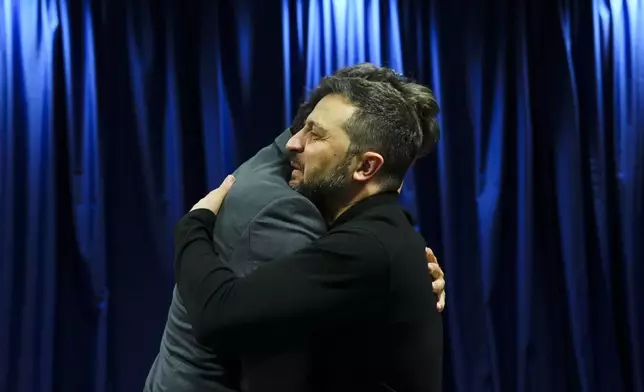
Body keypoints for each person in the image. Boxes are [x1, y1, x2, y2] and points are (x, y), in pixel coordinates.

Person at [143, 63, 446, 392]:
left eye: (314, 134)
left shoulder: (365, 249)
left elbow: (218, 312)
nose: (293, 143)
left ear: (366, 166)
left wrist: (193, 224)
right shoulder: (389, 238)